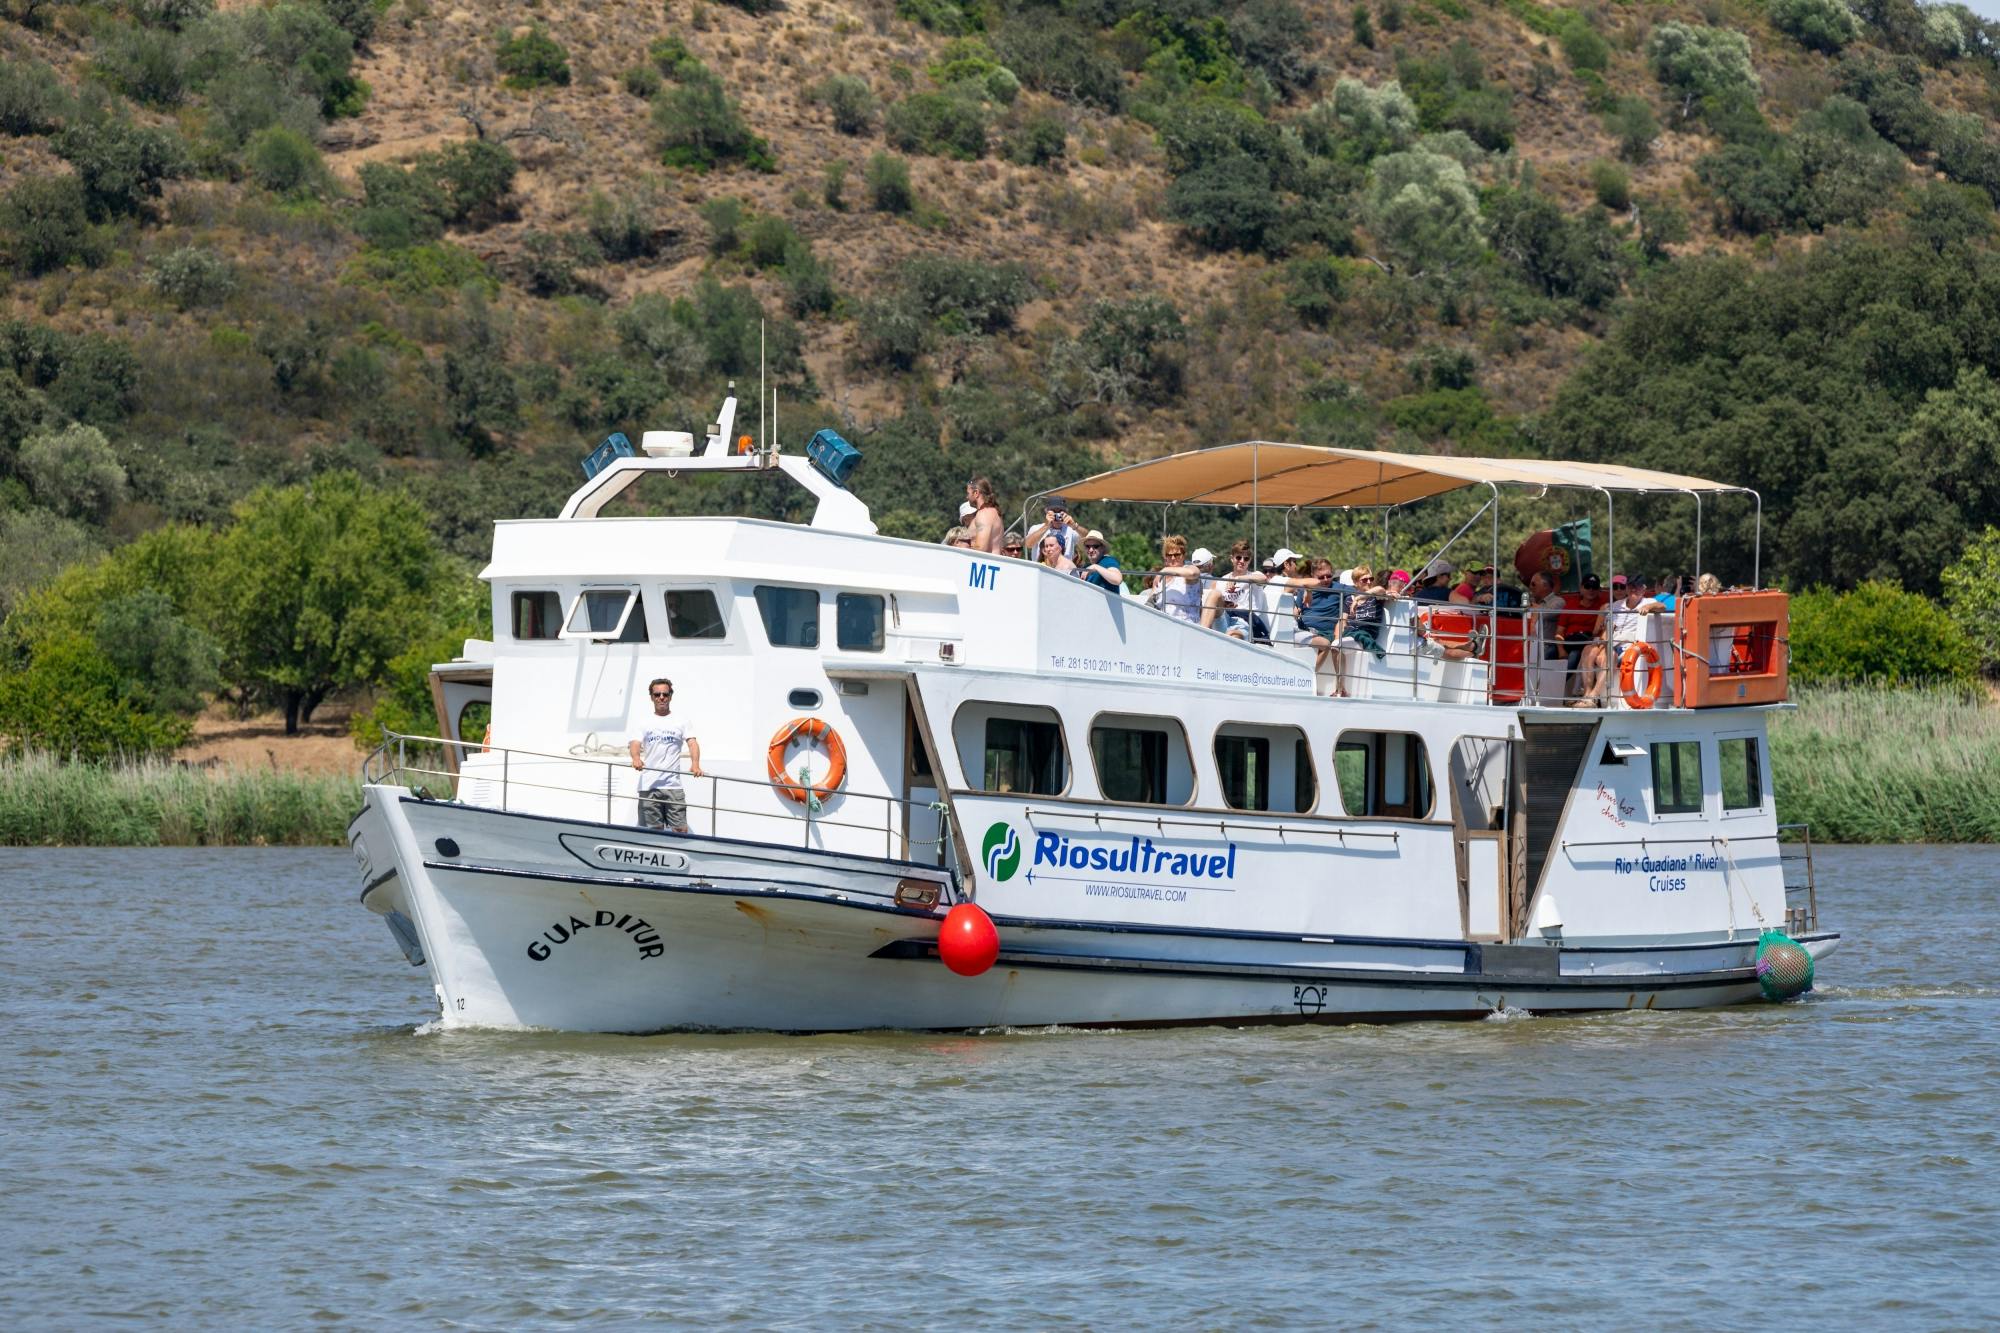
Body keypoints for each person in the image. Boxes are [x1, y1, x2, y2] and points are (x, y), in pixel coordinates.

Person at [1574, 577, 1667, 707]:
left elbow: (1662, 606)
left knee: (1609, 656)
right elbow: (1608, 629)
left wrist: (1649, 606)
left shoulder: (1648, 601)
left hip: (1628, 644)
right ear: (1627, 588)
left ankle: (1594, 696)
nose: (1633, 589)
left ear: (1644, 589)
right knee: (1588, 650)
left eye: (1638, 586)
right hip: (1612, 641)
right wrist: (1602, 644)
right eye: (1630, 586)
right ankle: (1587, 693)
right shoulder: (1617, 605)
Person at [630, 678, 703, 833]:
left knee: (680, 830)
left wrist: (695, 764)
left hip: (673, 785)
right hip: (649, 785)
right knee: (653, 831)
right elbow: (635, 743)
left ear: (670, 695)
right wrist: (636, 758)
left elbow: (692, 743)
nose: (661, 697)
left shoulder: (681, 721)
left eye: (665, 694)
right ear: (651, 697)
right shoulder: (644, 721)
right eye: (657, 694)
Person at [1525, 570, 1567, 704]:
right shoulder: (1534, 604)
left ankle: (1535, 694)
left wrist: (1532, 608)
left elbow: (1545, 613)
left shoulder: (1558, 601)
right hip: (1530, 644)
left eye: (1533, 584)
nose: (1530, 587)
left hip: (1547, 646)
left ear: (1545, 586)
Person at [1201, 541, 1258, 638]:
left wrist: (1238, 578)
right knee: (1214, 594)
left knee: (1231, 634)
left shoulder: (1254, 576)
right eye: (1238, 557)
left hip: (1243, 622)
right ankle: (1201, 633)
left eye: (1246, 558)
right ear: (1232, 559)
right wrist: (1224, 604)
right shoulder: (1221, 581)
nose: (1242, 561)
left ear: (1249, 561)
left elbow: (1263, 579)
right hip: (1225, 618)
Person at [1154, 535, 1205, 623]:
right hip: (1162, 622)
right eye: (1169, 555)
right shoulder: (1162, 578)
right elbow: (1152, 600)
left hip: (1186, 623)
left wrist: (1165, 570)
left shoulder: (1189, 568)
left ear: (1184, 555)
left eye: (1177, 555)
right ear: (1165, 557)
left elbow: (1192, 574)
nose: (1173, 558)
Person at [1025, 496, 1080, 562]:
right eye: (1054, 511)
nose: (1057, 515)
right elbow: (1028, 544)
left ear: (1066, 512)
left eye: (1060, 511)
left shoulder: (1071, 530)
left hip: (1063, 571)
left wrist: (1075, 526)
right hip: (1041, 570)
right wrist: (1046, 526)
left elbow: (1088, 539)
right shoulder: (1036, 528)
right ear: (1046, 511)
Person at [963, 477, 1004, 553]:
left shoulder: (984, 514)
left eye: (968, 493)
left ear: (976, 493)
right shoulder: (994, 512)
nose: (967, 497)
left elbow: (980, 548)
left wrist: (962, 548)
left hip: (983, 563)